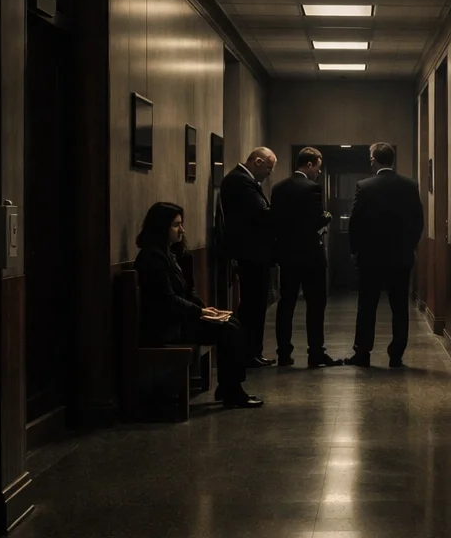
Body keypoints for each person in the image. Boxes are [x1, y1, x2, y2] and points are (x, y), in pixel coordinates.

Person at [134, 202, 261, 409]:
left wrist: (207, 310)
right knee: (229, 330)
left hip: (176, 320)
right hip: (165, 328)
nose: (182, 230)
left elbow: (186, 291)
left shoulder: (169, 254)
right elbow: (167, 300)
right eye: (176, 225)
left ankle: (229, 387)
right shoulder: (152, 258)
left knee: (233, 323)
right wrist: (200, 312)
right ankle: (232, 390)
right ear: (161, 227)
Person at [347, 143, 424, 368]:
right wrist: (409, 247)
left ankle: (363, 353)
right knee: (399, 307)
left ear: (374, 159)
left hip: (370, 258)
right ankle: (396, 355)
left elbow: (355, 222)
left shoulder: (364, 186)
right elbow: (418, 221)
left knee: (367, 306)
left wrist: (355, 250)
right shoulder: (410, 185)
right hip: (400, 257)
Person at [272, 147, 341, 369]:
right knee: (315, 305)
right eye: (318, 168)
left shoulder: (278, 188)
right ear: (310, 164)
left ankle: (284, 353)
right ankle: (315, 353)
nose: (318, 173)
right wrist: (327, 217)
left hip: (287, 254)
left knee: (286, 304)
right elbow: (315, 220)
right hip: (310, 255)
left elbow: (276, 221)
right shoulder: (312, 188)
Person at [219, 146, 276, 367]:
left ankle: (252, 351)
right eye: (269, 167)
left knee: (255, 304)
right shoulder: (240, 181)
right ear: (258, 161)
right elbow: (261, 213)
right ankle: (249, 352)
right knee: (254, 305)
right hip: (251, 253)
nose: (269, 173)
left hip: (253, 252)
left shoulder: (242, 180)